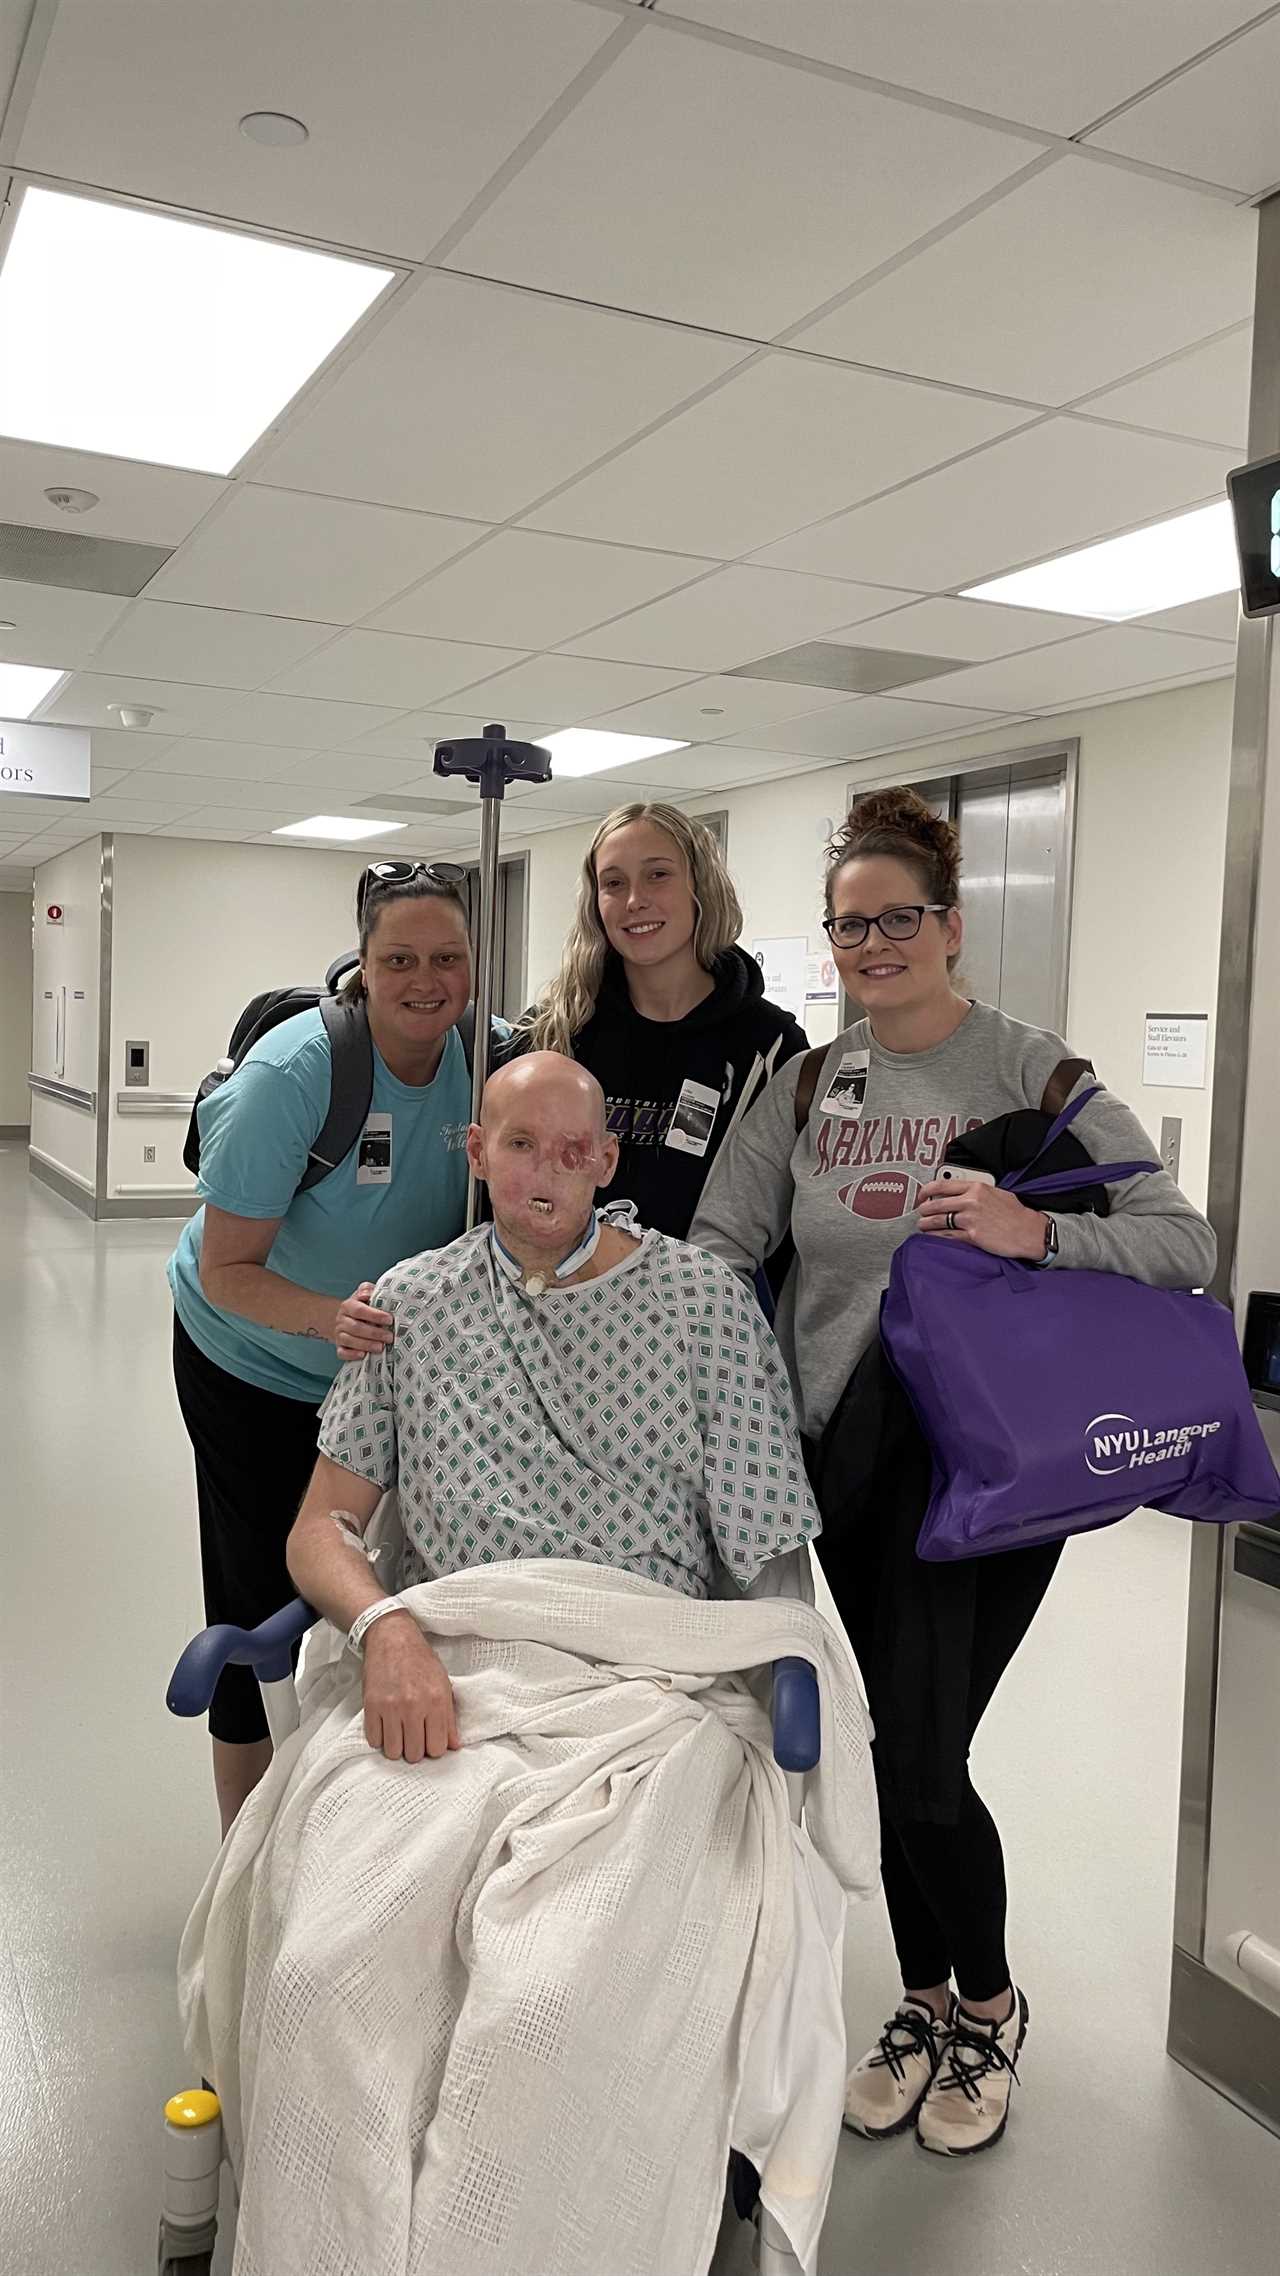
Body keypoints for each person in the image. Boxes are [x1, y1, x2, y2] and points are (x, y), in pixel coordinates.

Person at [178, 1054, 879, 2276]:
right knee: (323, 1976)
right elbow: (316, 1531)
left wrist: (765, 1700)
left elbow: (771, 1572)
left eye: (571, 1149)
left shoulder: (706, 1307)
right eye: (517, 1144)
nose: (543, 1171)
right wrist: (383, 1627)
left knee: (547, 2007)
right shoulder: (409, 1303)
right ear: (474, 1151)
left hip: (647, 1699)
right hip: (440, 1669)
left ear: (608, 1162)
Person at [690, 786, 1216, 2159]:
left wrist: (1030, 1235)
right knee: (906, 1746)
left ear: (950, 924)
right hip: (845, 1468)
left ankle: (986, 2008)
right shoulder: (810, 1080)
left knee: (919, 1762)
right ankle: (921, 2002)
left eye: (898, 920)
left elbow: (1184, 1242)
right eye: (849, 926)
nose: (874, 946)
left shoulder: (1028, 1070)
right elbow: (723, 1244)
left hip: (982, 1472)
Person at [169, 859, 487, 1835]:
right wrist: (325, 1319)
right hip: (253, 1360)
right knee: (257, 1595)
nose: (424, 978)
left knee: (381, 1588)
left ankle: (356, 1832)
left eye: (446, 956)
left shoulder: (490, 1059)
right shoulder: (293, 1077)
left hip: (384, 1374)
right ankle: (245, 1863)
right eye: (399, 958)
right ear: (363, 960)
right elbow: (228, 1269)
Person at [513, 802, 807, 1237]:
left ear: (699, 886)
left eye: (658, 875)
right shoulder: (553, 1034)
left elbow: (788, 1219)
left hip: (704, 1301)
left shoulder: (770, 1049)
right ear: (596, 903)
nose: (635, 900)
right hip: (557, 1297)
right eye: (614, 883)